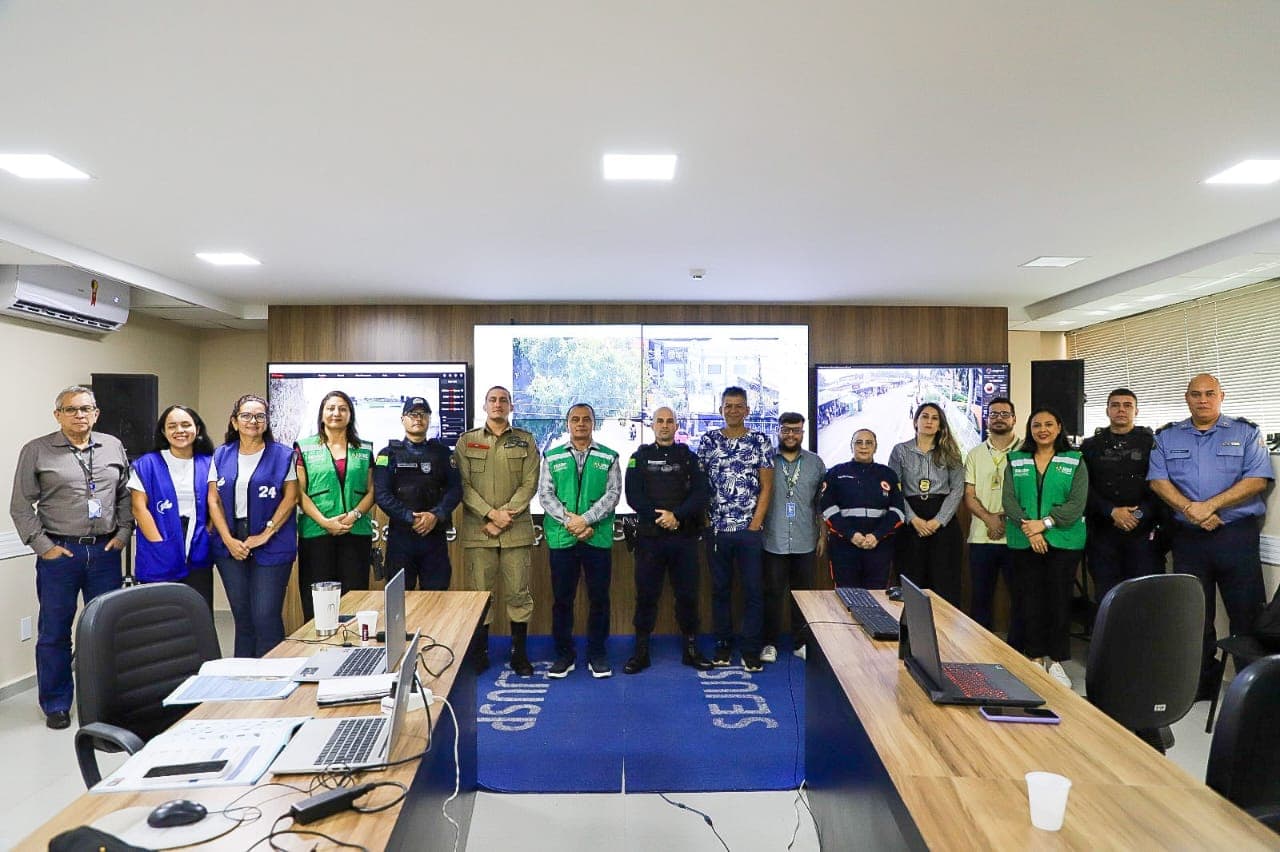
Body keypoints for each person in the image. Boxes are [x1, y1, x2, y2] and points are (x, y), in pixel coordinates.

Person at [10, 386, 131, 729]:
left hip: (105, 551)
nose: (79, 415)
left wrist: (123, 533)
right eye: (71, 409)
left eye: (86, 409)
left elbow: (125, 494)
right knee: (55, 631)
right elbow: (21, 505)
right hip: (60, 553)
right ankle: (57, 704)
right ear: (58, 415)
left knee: (105, 629)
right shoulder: (37, 450)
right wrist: (43, 546)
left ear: (96, 413)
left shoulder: (112, 446)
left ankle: (105, 701)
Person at [1148, 373, 1273, 697]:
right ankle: (1199, 684)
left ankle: (1252, 690)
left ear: (1221, 396)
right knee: (1193, 613)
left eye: (1209, 393)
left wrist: (1209, 506)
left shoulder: (1246, 432)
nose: (1202, 399)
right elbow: (1158, 481)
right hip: (1189, 538)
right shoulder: (1167, 436)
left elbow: (1257, 479)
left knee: (1246, 614)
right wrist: (1191, 510)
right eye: (1195, 394)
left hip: (1236, 536)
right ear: (1186, 398)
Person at [1002, 407, 1088, 689]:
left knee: (1059, 601)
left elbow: (1076, 503)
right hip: (1024, 541)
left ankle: (1057, 661)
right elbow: (1009, 500)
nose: (1043, 430)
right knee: (1029, 601)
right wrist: (1030, 529)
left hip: (1064, 542)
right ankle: (1035, 657)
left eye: (1049, 424)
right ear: (1030, 429)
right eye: (1037, 425)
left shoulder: (1075, 460)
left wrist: (1045, 524)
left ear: (1059, 427)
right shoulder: (1016, 459)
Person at [456, 386, 539, 676]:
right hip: (480, 531)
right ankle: (480, 653)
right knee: (481, 594)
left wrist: (503, 517)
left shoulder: (526, 441)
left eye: (504, 400)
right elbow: (463, 485)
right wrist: (491, 515)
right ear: (484, 406)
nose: (498, 404)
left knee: (519, 592)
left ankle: (519, 654)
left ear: (511, 406)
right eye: (493, 400)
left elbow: (530, 483)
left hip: (515, 531)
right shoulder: (467, 441)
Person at [622, 406, 712, 673]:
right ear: (652, 425)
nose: (664, 425)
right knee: (646, 596)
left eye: (669, 421)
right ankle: (641, 652)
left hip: (683, 538)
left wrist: (677, 516)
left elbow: (701, 494)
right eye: (659, 421)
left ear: (676, 426)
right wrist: (660, 517)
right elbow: (633, 496)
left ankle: (691, 650)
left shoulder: (689, 458)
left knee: (688, 595)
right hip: (650, 539)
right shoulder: (639, 457)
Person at [208, 394, 299, 657]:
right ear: (235, 421)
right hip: (230, 543)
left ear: (267, 421)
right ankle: (243, 675)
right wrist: (228, 539)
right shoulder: (221, 454)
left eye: (260, 416)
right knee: (243, 616)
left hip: (272, 542)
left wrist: (265, 534)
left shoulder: (283, 455)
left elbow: (290, 498)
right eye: (246, 415)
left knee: (265, 616)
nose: (253, 421)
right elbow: (213, 500)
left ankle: (272, 675)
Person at [539, 403, 621, 678]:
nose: (581, 423)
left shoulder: (609, 456)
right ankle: (564, 655)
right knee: (562, 600)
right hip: (563, 539)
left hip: (596, 538)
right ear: (568, 424)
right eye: (575, 419)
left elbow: (613, 495)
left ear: (593, 423)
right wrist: (570, 522)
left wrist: (585, 520)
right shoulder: (552, 457)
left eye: (586, 419)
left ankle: (597, 654)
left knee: (599, 599)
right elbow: (545, 495)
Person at [698, 386, 774, 672]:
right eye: (728, 406)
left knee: (753, 592)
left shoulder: (760, 441)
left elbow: (767, 487)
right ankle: (723, 646)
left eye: (738, 406)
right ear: (721, 410)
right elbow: (700, 485)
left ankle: (750, 650)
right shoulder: (708, 441)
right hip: (717, 530)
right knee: (720, 590)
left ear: (747, 410)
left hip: (749, 531)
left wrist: (755, 525)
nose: (733, 410)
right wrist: (707, 522)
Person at [295, 390, 375, 621]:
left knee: (354, 599)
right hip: (316, 533)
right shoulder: (304, 447)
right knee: (317, 602)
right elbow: (298, 492)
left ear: (350, 414)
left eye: (342, 409)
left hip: (355, 531)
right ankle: (317, 641)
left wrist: (354, 514)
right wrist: (325, 522)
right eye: (330, 408)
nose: (336, 413)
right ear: (322, 414)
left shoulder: (365, 449)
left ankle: (352, 643)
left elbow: (373, 490)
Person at [1080, 388, 1163, 606]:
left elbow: (1161, 486)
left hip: (1143, 533)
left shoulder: (1153, 444)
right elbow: (1082, 487)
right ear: (1107, 410)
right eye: (1115, 405)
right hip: (1103, 532)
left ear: (1136, 411)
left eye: (1127, 405)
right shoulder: (1090, 446)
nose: (1121, 410)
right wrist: (1111, 511)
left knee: (1145, 597)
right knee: (1107, 597)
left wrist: (1138, 514)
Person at [127, 405, 216, 608]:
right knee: (160, 613)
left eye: (186, 425)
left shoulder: (210, 463)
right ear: (163, 431)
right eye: (172, 426)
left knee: (198, 610)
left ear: (197, 429)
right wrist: (160, 544)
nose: (179, 430)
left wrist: (208, 531)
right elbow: (139, 508)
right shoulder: (147, 464)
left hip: (197, 543)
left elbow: (216, 503)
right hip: (160, 539)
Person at [374, 397, 462, 591]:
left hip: (434, 536)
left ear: (429, 419)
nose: (418, 418)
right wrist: (409, 517)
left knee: (437, 599)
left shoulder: (443, 453)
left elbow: (455, 489)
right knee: (399, 599)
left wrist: (435, 515)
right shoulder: (387, 454)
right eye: (413, 414)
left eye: (423, 414)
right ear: (403, 419)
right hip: (401, 538)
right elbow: (381, 494)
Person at [762, 412, 826, 662]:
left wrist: (823, 535)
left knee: (803, 595)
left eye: (796, 430)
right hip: (773, 539)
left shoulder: (815, 463)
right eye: (786, 430)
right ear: (778, 431)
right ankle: (769, 643)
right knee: (772, 595)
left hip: (805, 539)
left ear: (803, 432)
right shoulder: (766, 460)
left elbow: (820, 503)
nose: (791, 435)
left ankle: (801, 642)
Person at [888, 403, 965, 606]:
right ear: (916, 421)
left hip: (943, 522)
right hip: (911, 522)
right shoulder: (900, 451)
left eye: (934, 418)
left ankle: (944, 626)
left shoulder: (950, 452)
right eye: (924, 416)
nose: (929, 421)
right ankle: (911, 627)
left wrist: (938, 520)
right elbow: (894, 489)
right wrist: (913, 519)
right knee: (911, 583)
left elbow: (957, 489)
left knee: (944, 582)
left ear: (940, 425)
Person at [963, 397, 1023, 645]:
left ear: (1014, 419)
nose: (999, 418)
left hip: (1017, 536)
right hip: (981, 537)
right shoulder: (975, 453)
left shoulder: (1027, 450)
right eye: (994, 414)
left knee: (1020, 597)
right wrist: (990, 520)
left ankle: (1018, 649)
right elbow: (969, 494)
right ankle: (981, 648)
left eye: (1004, 414)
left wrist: (1005, 520)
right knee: (980, 598)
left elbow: (1031, 494)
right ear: (987, 419)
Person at [820, 429, 904, 594]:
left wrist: (876, 536)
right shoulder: (835, 473)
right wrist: (852, 535)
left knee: (877, 596)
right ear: (851, 446)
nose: (863, 447)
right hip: (844, 547)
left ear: (875, 447)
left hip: (879, 547)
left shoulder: (888, 474)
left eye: (869, 443)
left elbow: (898, 511)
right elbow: (828, 509)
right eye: (858, 442)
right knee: (846, 595)